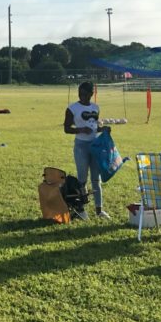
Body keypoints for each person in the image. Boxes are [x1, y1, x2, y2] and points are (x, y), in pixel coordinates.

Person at [63, 81, 110, 220]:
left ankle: (99, 210)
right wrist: (80, 130)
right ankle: (80, 209)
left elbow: (94, 126)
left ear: (91, 94)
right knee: (82, 179)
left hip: (95, 145)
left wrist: (103, 129)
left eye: (85, 94)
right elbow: (66, 128)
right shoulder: (72, 108)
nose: (82, 96)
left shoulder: (96, 107)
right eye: (80, 93)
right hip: (81, 146)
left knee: (96, 179)